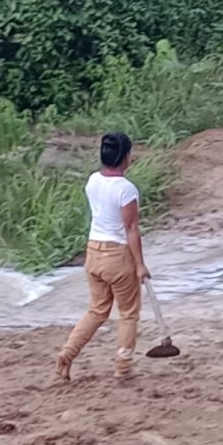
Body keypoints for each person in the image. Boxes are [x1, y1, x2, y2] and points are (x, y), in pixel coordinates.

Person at [57, 132, 151, 381]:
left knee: (97, 310)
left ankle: (68, 353)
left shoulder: (92, 181)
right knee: (129, 313)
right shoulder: (126, 189)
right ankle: (122, 366)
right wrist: (140, 264)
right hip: (117, 255)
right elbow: (131, 229)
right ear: (126, 157)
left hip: (93, 252)